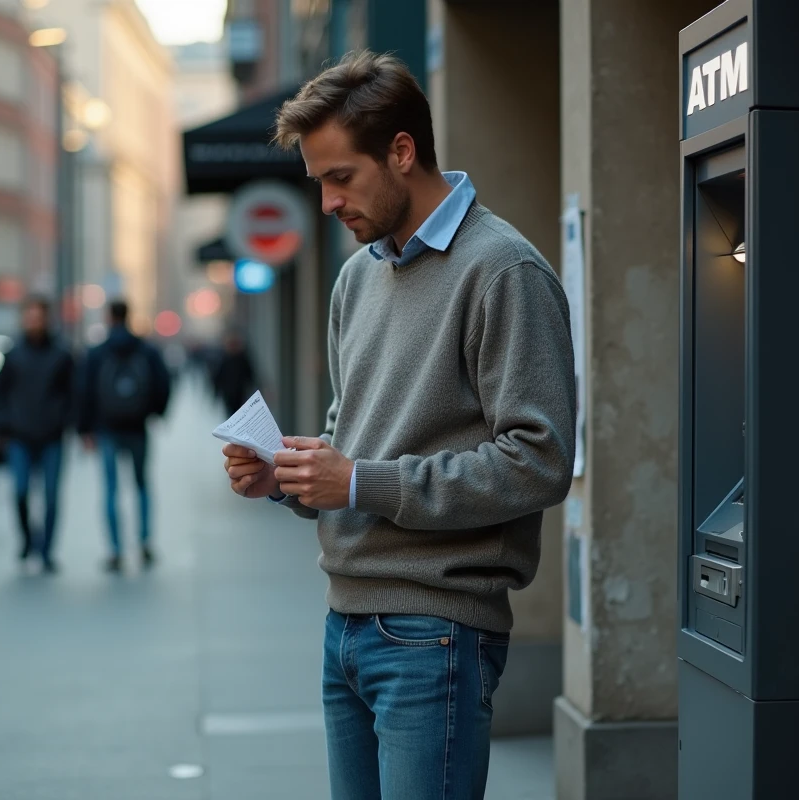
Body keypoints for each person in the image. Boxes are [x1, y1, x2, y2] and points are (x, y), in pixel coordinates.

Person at [220, 50, 576, 799]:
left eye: (340, 178)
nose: (326, 204)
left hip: (436, 633)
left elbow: (539, 461)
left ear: (402, 152)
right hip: (343, 623)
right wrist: (286, 477)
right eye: (317, 183)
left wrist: (357, 480)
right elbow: (353, 448)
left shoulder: (503, 271)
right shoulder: (356, 276)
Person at [77, 299, 171, 572]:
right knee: (141, 485)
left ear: (109, 317)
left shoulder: (97, 352)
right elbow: (163, 383)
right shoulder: (146, 349)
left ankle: (115, 550)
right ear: (129, 316)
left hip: (107, 429)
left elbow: (84, 391)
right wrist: (155, 413)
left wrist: (85, 429)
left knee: (110, 489)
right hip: (137, 427)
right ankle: (144, 542)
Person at [0, 296, 75, 574]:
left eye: (38, 317)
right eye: (29, 317)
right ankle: (28, 540)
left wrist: (64, 421)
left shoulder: (61, 354)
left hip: (51, 437)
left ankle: (47, 550)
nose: (34, 322)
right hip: (20, 437)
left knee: (51, 497)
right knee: (20, 492)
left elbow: (72, 392)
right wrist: (3, 425)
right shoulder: (13, 353)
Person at [210, 330, 256, 415]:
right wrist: (216, 394)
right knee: (230, 414)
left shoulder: (243, 359)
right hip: (228, 394)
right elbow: (218, 378)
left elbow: (250, 375)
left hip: (240, 393)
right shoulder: (224, 359)